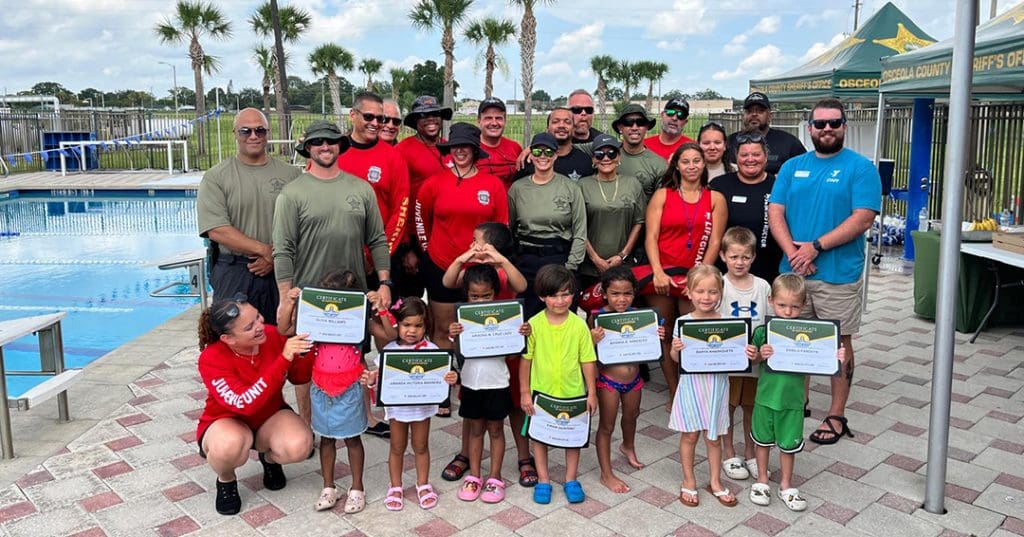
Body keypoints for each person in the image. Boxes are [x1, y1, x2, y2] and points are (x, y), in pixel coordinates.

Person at [768, 98, 880, 445]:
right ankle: (797, 402)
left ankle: (836, 414)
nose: (827, 129)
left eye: (834, 123)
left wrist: (815, 247)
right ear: (810, 128)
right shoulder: (792, 167)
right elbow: (775, 212)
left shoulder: (861, 168)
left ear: (844, 126)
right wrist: (794, 254)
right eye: (820, 124)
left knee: (838, 344)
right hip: (794, 273)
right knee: (795, 339)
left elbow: (863, 218)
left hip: (838, 275)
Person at [273, 121, 393, 424]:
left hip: (352, 293)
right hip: (309, 294)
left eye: (330, 141)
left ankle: (361, 418)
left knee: (354, 353)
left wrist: (384, 283)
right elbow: (283, 248)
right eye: (317, 142)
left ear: (340, 145)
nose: (324, 146)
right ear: (307, 149)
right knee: (307, 361)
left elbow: (377, 239)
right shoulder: (292, 193)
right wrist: (285, 296)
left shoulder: (361, 189)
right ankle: (308, 423)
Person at [277, 270, 396, 513]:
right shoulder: (315, 321)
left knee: (353, 439)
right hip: (321, 388)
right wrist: (289, 302)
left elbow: (390, 335)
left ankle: (357, 488)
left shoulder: (361, 321)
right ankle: (328, 486)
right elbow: (284, 328)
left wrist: (381, 308)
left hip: (350, 387)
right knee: (326, 438)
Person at [195, 294, 314, 515]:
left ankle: (268, 459)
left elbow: (299, 378)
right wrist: (283, 359)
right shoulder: (211, 358)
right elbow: (243, 403)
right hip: (227, 419)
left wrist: (309, 350)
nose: (260, 325)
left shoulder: (273, 335)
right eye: (249, 327)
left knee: (300, 446)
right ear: (228, 339)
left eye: (258, 317)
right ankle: (226, 479)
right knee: (228, 446)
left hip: (270, 414)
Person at [439, 223, 535, 489]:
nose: (472, 245)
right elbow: (447, 281)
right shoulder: (470, 274)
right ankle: (466, 456)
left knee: (514, 405)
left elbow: (522, 285)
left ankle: (524, 457)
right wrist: (464, 257)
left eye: (476, 241)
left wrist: (499, 259)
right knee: (472, 411)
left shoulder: (503, 273)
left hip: (506, 355)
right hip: (475, 357)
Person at [747, 273, 846, 511]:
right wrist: (760, 354)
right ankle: (762, 479)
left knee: (788, 445)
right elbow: (752, 360)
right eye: (782, 305)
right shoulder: (763, 332)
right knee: (762, 442)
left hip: (793, 402)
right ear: (771, 301)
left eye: (794, 306)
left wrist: (836, 357)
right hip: (765, 399)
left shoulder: (812, 334)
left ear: (803, 305)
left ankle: (786, 485)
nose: (788, 311)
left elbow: (824, 359)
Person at [198, 108, 300, 323]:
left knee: (284, 334)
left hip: (281, 270)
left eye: (259, 130)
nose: (253, 136)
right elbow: (217, 229)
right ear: (235, 133)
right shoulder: (216, 177)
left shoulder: (291, 175)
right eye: (246, 131)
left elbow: (302, 223)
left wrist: (276, 257)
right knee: (233, 335)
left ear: (268, 133)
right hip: (235, 270)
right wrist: (265, 251)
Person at [645, 143, 727, 409]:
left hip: (695, 278)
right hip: (664, 275)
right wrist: (657, 272)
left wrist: (700, 278)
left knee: (693, 334)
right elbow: (651, 237)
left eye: (696, 161)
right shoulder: (663, 195)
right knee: (666, 334)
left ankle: (696, 390)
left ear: (704, 164)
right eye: (685, 161)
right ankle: (675, 391)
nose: (691, 166)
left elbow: (715, 241)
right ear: (676, 166)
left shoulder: (715, 198)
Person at [415, 122, 509, 349]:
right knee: (443, 329)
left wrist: (488, 260)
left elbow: (501, 226)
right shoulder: (433, 183)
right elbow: (421, 220)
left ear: (475, 149)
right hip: (441, 264)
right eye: (455, 146)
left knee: (479, 328)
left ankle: (474, 371)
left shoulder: (493, 184)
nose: (460, 151)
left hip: (480, 268)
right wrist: (428, 251)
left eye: (465, 146)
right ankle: (447, 372)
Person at [361, 297, 458, 511]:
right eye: (406, 324)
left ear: (426, 326)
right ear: (398, 324)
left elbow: (443, 376)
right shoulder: (390, 350)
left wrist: (451, 378)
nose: (412, 330)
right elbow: (380, 377)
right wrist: (372, 379)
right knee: (397, 447)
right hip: (398, 409)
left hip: (421, 408)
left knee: (421, 446)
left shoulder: (432, 350)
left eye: (418, 325)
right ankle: (395, 486)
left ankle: (423, 484)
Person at [448, 264, 531, 504]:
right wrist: (454, 335)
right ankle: (474, 476)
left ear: (495, 293)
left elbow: (513, 355)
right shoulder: (462, 320)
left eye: (486, 295)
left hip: (498, 382)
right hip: (471, 383)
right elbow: (457, 351)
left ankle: (495, 477)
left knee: (496, 430)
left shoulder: (506, 319)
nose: (480, 301)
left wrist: (520, 337)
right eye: (474, 296)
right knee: (475, 430)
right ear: (466, 295)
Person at [520, 264, 598, 505]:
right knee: (540, 437)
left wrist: (591, 392)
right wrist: (524, 392)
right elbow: (526, 360)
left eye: (566, 294)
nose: (560, 301)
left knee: (572, 438)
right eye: (554, 295)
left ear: (573, 294)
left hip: (573, 393)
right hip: (541, 394)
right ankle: (543, 480)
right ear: (542, 296)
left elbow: (587, 360)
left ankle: (571, 479)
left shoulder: (579, 325)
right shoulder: (534, 324)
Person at [589, 266, 663, 493]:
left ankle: (627, 445)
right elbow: (584, 353)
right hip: (608, 381)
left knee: (632, 415)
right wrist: (591, 339)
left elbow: (652, 342)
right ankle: (606, 473)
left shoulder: (641, 317)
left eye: (627, 293)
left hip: (634, 379)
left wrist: (658, 334)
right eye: (615, 294)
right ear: (605, 294)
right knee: (607, 425)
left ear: (634, 293)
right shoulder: (596, 317)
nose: (621, 299)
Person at [668, 265, 737, 508]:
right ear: (688, 292)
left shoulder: (730, 323)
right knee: (689, 435)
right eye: (700, 291)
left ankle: (715, 481)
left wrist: (747, 353)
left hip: (716, 386)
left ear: (721, 293)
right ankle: (688, 479)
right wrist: (676, 350)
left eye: (712, 292)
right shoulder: (683, 322)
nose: (706, 297)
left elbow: (737, 356)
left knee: (714, 437)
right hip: (692, 386)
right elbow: (675, 359)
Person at [509, 132, 588, 318]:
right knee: (528, 318)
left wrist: (571, 266)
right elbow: (511, 228)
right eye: (537, 151)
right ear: (531, 154)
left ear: (555, 155)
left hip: (559, 258)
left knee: (561, 317)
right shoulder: (517, 189)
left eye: (548, 152)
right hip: (527, 260)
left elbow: (580, 230)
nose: (543, 156)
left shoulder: (570, 187)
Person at [716, 227, 772, 483]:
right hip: (727, 362)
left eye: (745, 257)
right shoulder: (719, 285)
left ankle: (751, 452)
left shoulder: (762, 286)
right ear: (723, 256)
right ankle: (729, 452)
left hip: (755, 362)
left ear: (753, 257)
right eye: (734, 256)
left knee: (751, 407)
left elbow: (770, 322)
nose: (739, 262)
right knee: (727, 407)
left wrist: (762, 350)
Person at [395, 95, 454, 299]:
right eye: (423, 116)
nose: (431, 119)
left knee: (442, 297)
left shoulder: (450, 148)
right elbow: (398, 200)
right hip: (414, 236)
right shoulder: (403, 150)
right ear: (415, 121)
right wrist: (406, 248)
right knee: (411, 301)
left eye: (435, 114)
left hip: (443, 235)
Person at [711, 131, 784, 283]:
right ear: (736, 157)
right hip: (725, 274)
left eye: (756, 154)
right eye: (744, 155)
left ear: (765, 156)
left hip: (769, 273)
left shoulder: (778, 186)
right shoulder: (719, 185)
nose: (750, 159)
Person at [578, 134, 644, 288]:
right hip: (590, 266)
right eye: (599, 154)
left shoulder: (633, 184)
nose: (606, 158)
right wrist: (595, 259)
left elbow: (639, 221)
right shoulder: (582, 185)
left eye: (611, 153)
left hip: (624, 264)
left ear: (619, 157)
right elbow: (577, 225)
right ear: (593, 159)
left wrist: (622, 255)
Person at [727, 92, 805, 175]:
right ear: (744, 115)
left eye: (760, 111)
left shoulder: (789, 143)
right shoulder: (730, 141)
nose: (754, 114)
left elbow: (806, 170)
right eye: (749, 111)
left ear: (770, 115)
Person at [515, 107, 595, 182]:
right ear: (547, 128)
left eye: (567, 122)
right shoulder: (531, 161)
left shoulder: (585, 161)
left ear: (574, 129)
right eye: (555, 122)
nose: (561, 125)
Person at [608, 105, 669, 201]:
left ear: (647, 127)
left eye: (640, 122)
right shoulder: (607, 159)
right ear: (620, 127)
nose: (634, 127)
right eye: (628, 123)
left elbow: (662, 202)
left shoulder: (659, 164)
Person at [475, 97, 524, 188]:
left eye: (498, 118)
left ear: (505, 121)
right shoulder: (471, 149)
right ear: (479, 121)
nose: (494, 123)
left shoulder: (515, 147)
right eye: (488, 118)